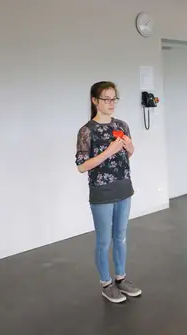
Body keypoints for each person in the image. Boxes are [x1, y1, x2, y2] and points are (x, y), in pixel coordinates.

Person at [75, 81, 142, 303]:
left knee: (120, 237)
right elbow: (82, 166)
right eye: (106, 99)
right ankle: (106, 283)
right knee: (104, 241)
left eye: (114, 98)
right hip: (102, 192)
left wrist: (129, 147)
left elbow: (128, 155)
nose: (111, 103)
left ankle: (121, 279)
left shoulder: (122, 125)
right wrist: (109, 151)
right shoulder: (87, 130)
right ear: (95, 101)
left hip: (124, 187)